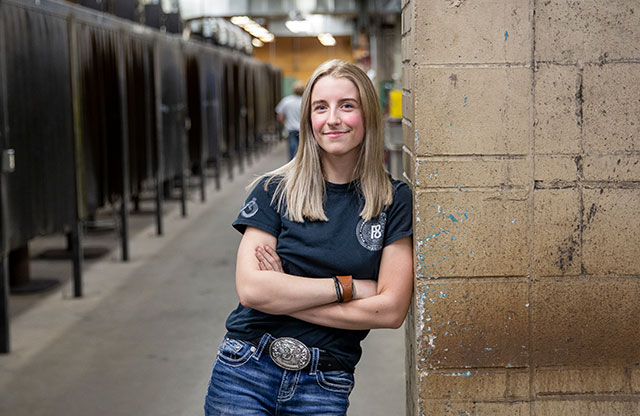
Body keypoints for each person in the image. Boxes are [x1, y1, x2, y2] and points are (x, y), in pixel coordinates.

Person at [204, 59, 413, 416]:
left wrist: (284, 291)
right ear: (308, 120)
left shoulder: (393, 200)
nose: (332, 118)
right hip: (245, 369)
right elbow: (253, 291)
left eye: (347, 106)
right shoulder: (272, 191)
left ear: (368, 116)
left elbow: (391, 310)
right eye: (321, 107)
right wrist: (350, 288)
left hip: (325, 383)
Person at [275, 80, 305, 160]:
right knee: (303, 150)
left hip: (291, 129)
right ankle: (302, 166)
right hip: (303, 130)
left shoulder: (286, 101)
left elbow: (280, 116)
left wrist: (284, 123)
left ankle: (291, 168)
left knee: (292, 149)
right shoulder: (305, 101)